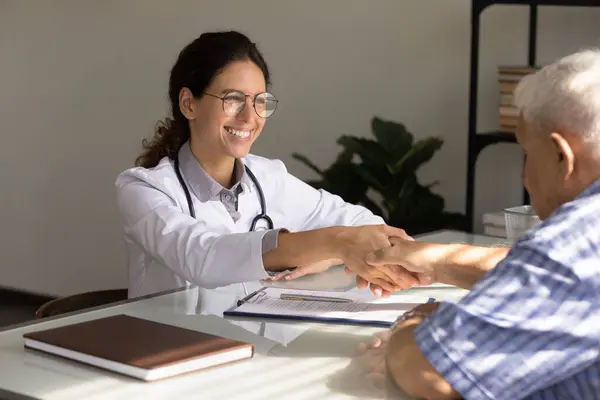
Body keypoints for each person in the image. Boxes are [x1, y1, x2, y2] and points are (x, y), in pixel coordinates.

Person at [355, 49, 600, 399]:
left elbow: (427, 374)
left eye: (526, 153)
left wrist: (418, 319)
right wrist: (440, 262)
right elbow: (541, 277)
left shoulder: (574, 243)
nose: (524, 175)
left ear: (562, 155)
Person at [115, 31, 417, 299]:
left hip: (250, 348)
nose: (250, 117)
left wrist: (328, 255)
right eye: (232, 99)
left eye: (260, 101)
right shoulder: (143, 189)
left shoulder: (268, 176)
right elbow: (203, 258)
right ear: (188, 103)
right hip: (169, 351)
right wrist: (335, 243)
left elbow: (363, 222)